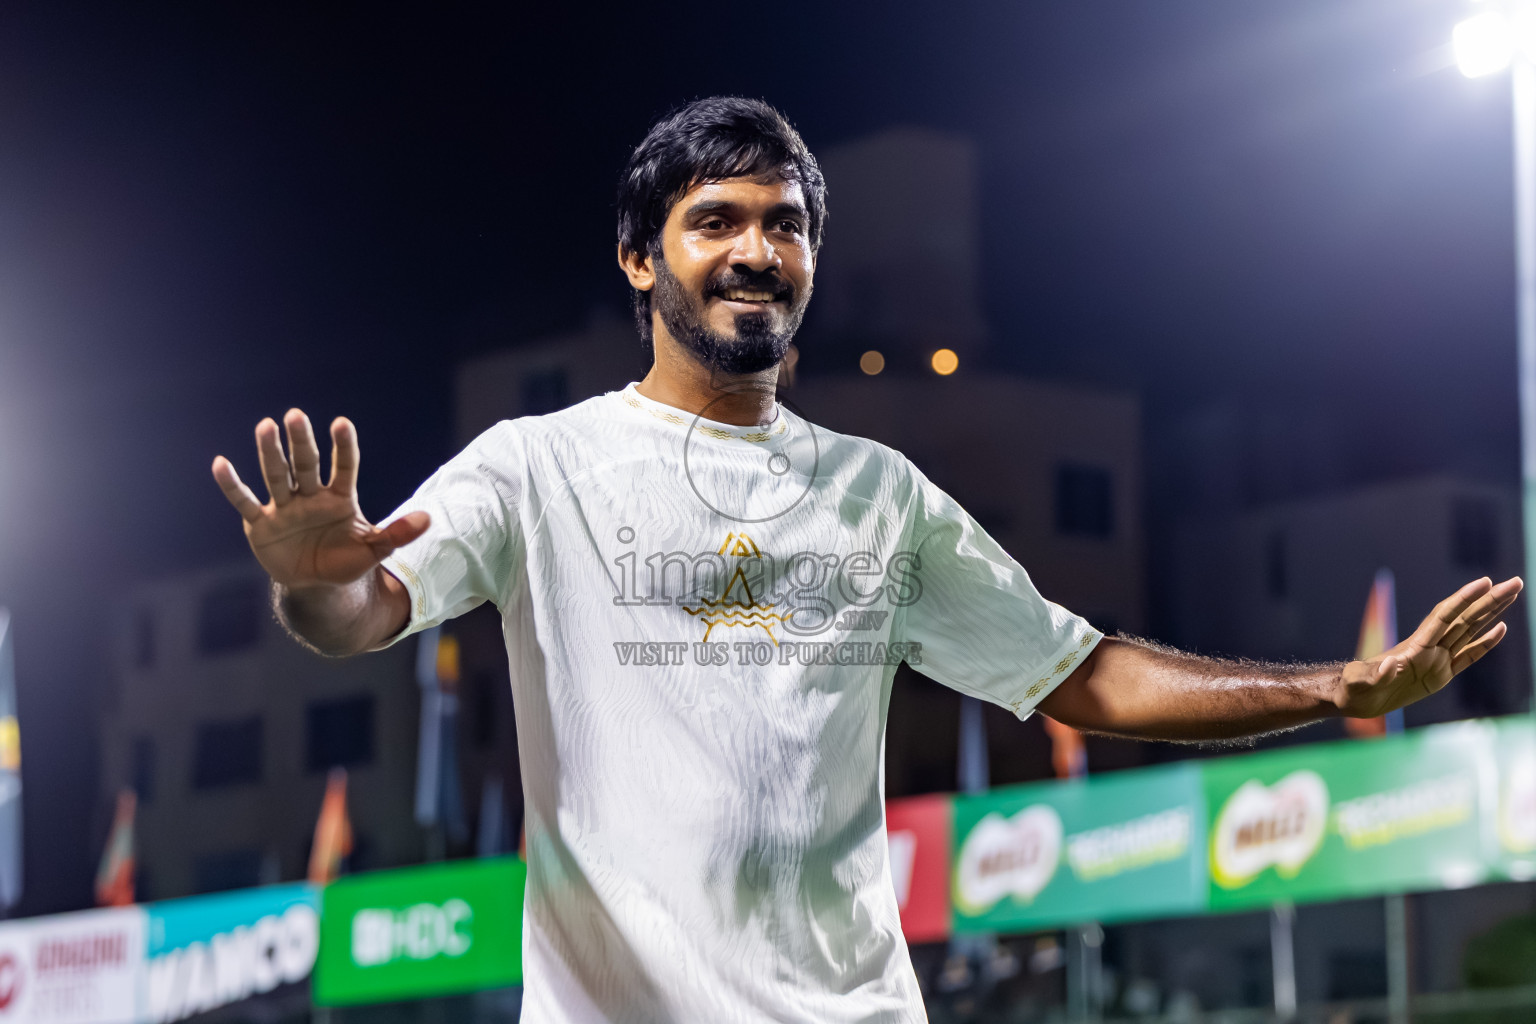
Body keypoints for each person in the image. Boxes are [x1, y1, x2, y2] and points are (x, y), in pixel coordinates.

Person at [210, 97, 1522, 1023]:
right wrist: (310, 575)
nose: (754, 251)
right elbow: (364, 614)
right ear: (637, 258)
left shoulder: (878, 497)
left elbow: (1082, 674)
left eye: (784, 225)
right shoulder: (535, 467)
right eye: (714, 220)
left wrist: (1335, 692)